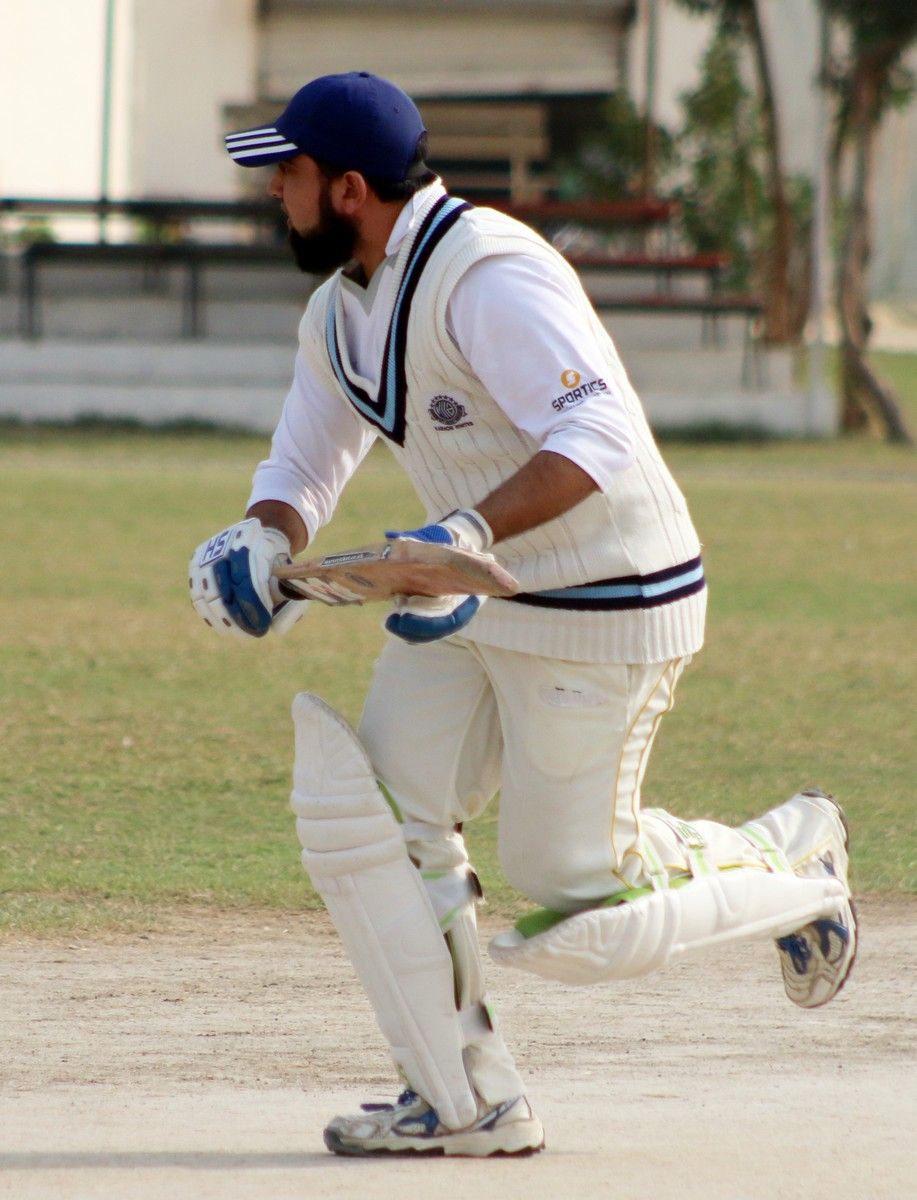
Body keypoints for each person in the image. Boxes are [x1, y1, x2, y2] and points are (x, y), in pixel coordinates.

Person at [189, 72, 857, 1158]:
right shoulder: (338, 308)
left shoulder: (487, 272)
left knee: (579, 903)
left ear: (348, 188)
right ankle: (464, 1100)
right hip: (466, 597)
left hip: (602, 596)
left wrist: (462, 534)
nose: (274, 193)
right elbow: (304, 466)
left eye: (290, 173)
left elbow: (596, 436)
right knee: (375, 819)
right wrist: (264, 540)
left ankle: (796, 863)